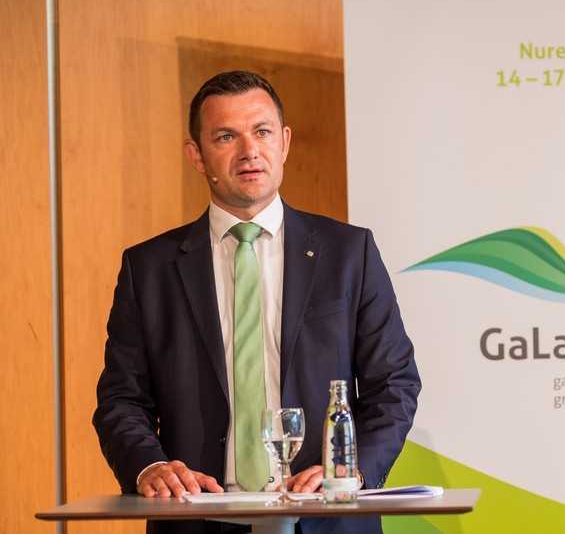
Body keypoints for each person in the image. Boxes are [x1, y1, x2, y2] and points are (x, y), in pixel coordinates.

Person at [93, 70, 421, 534]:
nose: (249, 151)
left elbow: (394, 383)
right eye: (226, 136)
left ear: (284, 142)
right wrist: (149, 466)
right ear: (196, 154)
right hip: (197, 517)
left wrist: (352, 469)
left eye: (262, 132)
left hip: (327, 516)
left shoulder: (350, 253)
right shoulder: (148, 268)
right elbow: (121, 399)